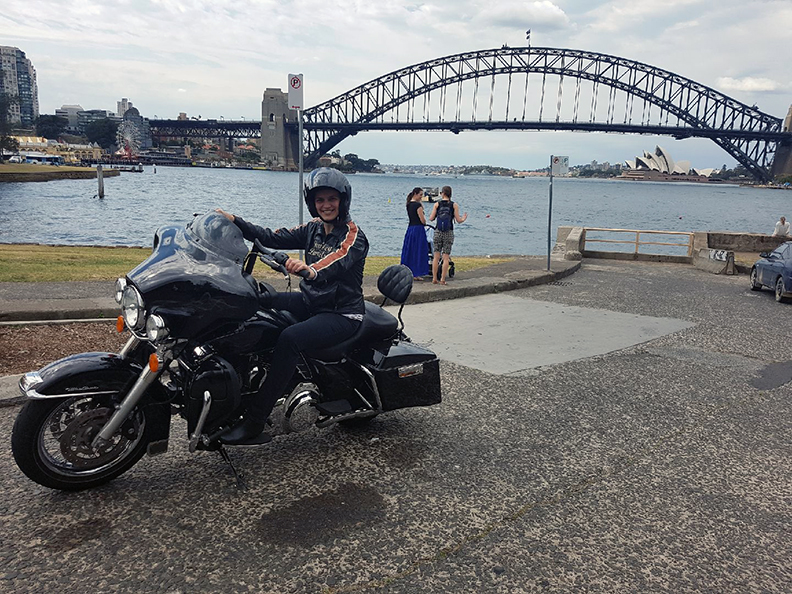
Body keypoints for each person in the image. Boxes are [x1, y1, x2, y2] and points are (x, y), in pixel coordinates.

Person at [215, 167, 368, 445]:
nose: (326, 205)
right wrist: (234, 221)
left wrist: (309, 270)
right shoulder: (312, 228)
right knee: (257, 301)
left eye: (331, 199)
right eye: (320, 200)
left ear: (342, 200)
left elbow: (335, 262)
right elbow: (271, 237)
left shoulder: (354, 236)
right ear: (313, 202)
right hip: (312, 302)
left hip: (342, 313)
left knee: (289, 339)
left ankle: (255, 420)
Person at [429, 185, 467, 285]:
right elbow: (458, 220)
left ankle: (434, 278)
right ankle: (442, 279)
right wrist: (463, 218)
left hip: (438, 231)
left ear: (443, 193)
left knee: (436, 256)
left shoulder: (437, 204)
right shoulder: (454, 205)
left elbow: (431, 218)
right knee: (446, 257)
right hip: (448, 232)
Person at [400, 187, 429, 280]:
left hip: (410, 228)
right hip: (418, 229)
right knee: (419, 250)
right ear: (415, 194)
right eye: (420, 195)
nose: (421, 197)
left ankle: (409, 271)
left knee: (410, 250)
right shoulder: (418, 206)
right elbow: (423, 220)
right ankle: (417, 272)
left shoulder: (409, 204)